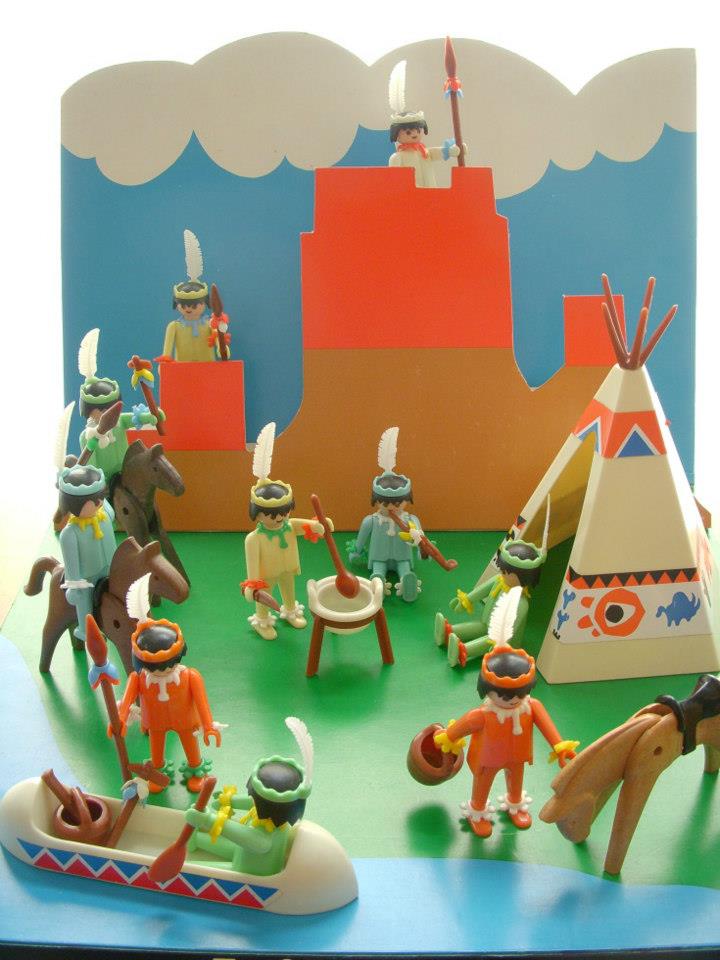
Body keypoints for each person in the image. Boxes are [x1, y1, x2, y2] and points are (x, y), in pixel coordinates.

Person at [433, 645, 578, 837]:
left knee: (516, 782)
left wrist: (560, 747)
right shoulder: (481, 715)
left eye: (521, 694)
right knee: (482, 785)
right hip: (488, 760)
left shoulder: (531, 707)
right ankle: (477, 812)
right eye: (505, 696)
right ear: (487, 690)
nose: (514, 700)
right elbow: (460, 728)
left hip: (517, 756)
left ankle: (515, 805)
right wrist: (446, 737)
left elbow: (547, 727)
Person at [116, 616, 222, 792]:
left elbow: (202, 702)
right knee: (156, 751)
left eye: (168, 666)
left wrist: (208, 725)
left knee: (191, 747)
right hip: (155, 722)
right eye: (155, 668)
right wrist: (120, 719)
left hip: (185, 720)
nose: (163, 671)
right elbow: (126, 702)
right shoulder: (138, 679)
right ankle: (158, 774)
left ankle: (196, 772)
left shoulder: (190, 676)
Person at [243, 422, 326, 640]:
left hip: (288, 567)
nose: (280, 518)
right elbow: (252, 564)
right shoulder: (254, 539)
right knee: (265, 597)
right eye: (272, 515)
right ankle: (262, 620)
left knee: (289, 590)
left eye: (285, 512)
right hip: (265, 575)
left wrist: (319, 525)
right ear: (257, 514)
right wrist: (253, 584)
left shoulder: (289, 525)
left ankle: (290, 611)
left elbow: (307, 526)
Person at [436, 538, 546, 667]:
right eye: (502, 570)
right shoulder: (499, 580)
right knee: (481, 627)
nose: (502, 573)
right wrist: (467, 600)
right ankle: (448, 631)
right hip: (487, 622)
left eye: (506, 572)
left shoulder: (521, 603)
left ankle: (463, 650)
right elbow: (481, 591)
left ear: (524, 577)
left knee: (491, 639)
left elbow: (512, 626)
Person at [57, 464, 117, 643]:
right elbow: (71, 563)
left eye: (100, 498)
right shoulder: (70, 533)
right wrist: (74, 586)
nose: (99, 503)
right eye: (93, 501)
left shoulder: (104, 516)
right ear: (73, 505)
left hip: (110, 566)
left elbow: (111, 510)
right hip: (87, 577)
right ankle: (85, 630)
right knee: (84, 599)